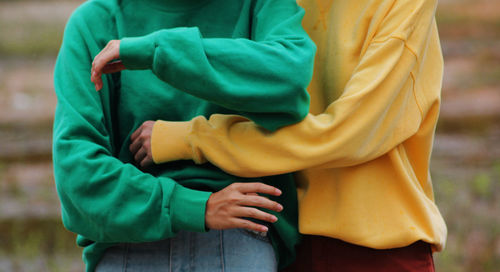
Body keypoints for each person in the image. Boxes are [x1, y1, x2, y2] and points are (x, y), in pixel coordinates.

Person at [129, 0, 448, 271]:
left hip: (382, 253)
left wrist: (192, 139)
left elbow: (348, 134)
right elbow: (252, 97)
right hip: (280, 244)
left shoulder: (405, 5)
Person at [52, 0, 315, 271]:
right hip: (129, 242)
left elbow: (289, 76)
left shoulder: (261, 5)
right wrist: (195, 207)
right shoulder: (95, 21)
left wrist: (155, 50)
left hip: (239, 234)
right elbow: (77, 174)